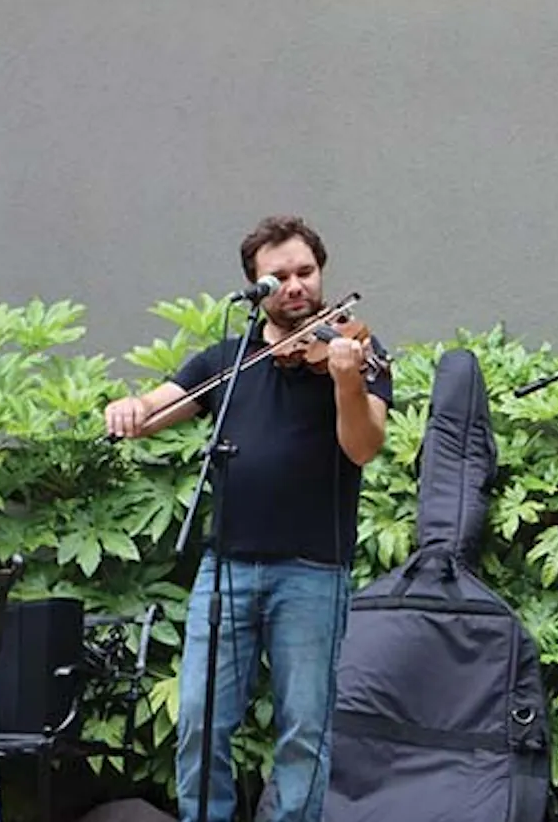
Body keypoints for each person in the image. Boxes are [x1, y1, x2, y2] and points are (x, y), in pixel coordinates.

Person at [103, 215, 390, 822]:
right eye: (279, 277)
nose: (296, 286)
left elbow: (363, 446)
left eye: (306, 272)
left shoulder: (357, 351)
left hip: (314, 570)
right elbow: (159, 405)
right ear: (256, 287)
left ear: (322, 274)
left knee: (304, 730)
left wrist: (345, 382)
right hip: (226, 568)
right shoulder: (227, 359)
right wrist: (129, 408)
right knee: (201, 718)